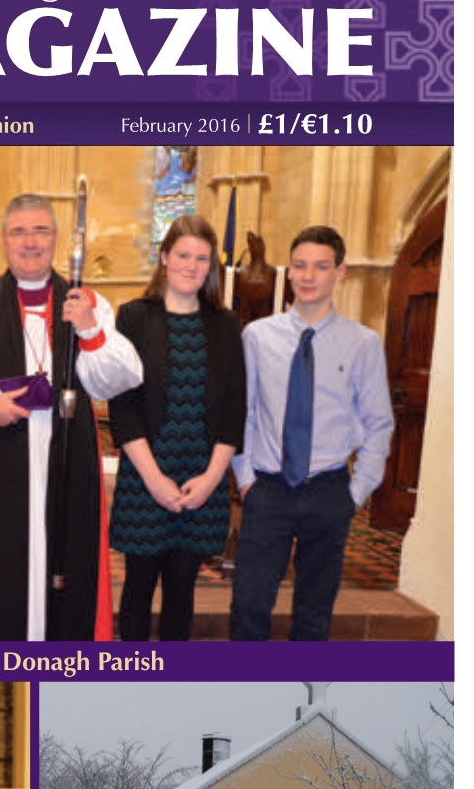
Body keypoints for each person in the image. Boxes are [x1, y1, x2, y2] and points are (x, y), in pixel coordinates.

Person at [0, 193, 142, 640]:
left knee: (69, 569)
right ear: (4, 240)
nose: (30, 242)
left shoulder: (86, 301)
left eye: (40, 231)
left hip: (68, 458)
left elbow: (118, 380)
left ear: (57, 239)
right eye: (19, 232)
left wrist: (90, 329)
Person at [230, 225, 394, 641]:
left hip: (329, 490)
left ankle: (299, 700)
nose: (308, 276)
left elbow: (378, 422)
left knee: (314, 612)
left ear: (340, 273)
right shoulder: (257, 336)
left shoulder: (363, 344)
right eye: (300, 266)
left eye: (320, 267)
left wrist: (356, 493)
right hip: (267, 488)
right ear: (290, 272)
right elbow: (243, 413)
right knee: (248, 605)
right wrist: (246, 478)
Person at [109, 215, 246, 640]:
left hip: (200, 478)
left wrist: (211, 479)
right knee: (137, 587)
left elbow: (233, 410)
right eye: (183, 254)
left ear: (212, 266)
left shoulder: (225, 324)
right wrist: (153, 479)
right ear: (165, 257)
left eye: (201, 258)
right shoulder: (133, 317)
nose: (191, 265)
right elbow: (123, 406)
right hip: (146, 476)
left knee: (183, 589)